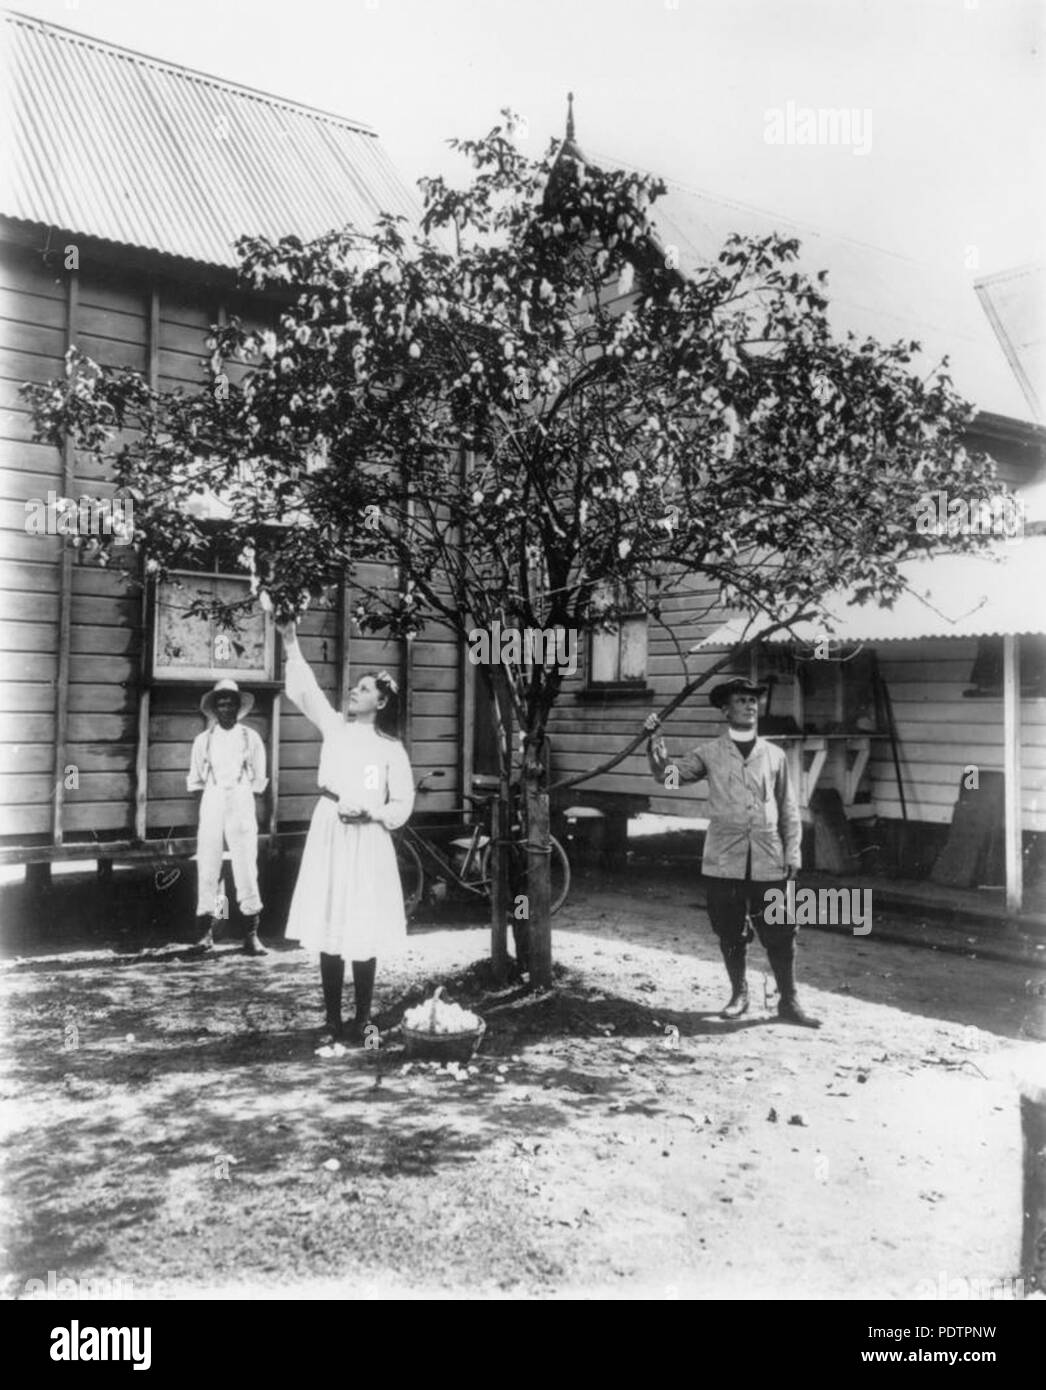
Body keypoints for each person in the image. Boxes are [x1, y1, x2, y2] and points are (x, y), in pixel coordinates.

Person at [645, 677, 821, 1028]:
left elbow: (789, 807)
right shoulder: (709, 753)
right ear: (725, 710)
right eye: (741, 701)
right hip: (724, 859)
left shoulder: (775, 755)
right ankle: (738, 994)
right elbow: (669, 779)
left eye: (754, 700)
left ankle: (789, 1000)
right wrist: (654, 745)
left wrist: (793, 853)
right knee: (729, 930)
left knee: (781, 929)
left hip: (770, 858)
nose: (749, 706)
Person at [278, 620, 415, 1044]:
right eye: (354, 687)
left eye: (363, 688)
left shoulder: (391, 748)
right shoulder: (334, 727)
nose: (353, 691)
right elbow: (305, 691)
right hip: (331, 832)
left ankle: (363, 1018)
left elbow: (402, 804)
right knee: (331, 919)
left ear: (382, 701)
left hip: (368, 840)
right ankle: (333, 1020)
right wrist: (290, 641)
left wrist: (371, 813)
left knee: (362, 923)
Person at [188, 678, 268, 956]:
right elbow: (196, 780)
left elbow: (259, 778)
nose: (226, 707)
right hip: (212, 800)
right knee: (209, 864)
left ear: (238, 706)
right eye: (220, 702)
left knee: (246, 864)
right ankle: (206, 933)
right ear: (214, 708)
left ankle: (251, 935)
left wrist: (241, 802)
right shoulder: (203, 740)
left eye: (230, 702)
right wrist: (212, 806)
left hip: (241, 799)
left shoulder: (251, 737)